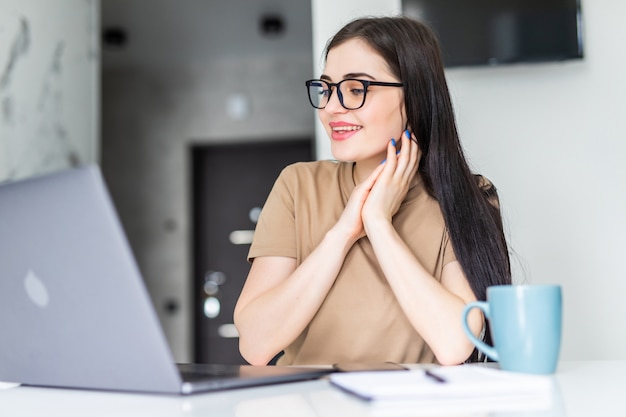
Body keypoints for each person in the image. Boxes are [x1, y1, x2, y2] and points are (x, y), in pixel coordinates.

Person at [233, 16, 511, 366]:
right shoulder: (297, 185)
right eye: (327, 88)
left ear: (414, 99)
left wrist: (378, 222)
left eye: (356, 89)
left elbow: (455, 344)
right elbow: (255, 344)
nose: (332, 107)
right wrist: (343, 233)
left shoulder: (468, 196)